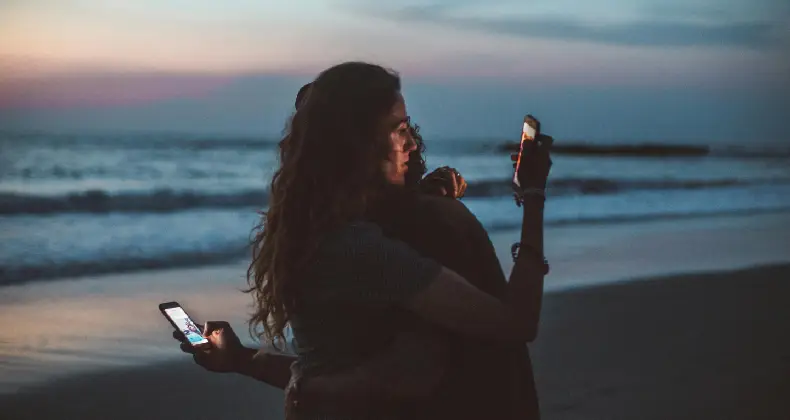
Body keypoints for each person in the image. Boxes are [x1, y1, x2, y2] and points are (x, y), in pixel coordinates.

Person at [175, 62, 551, 418]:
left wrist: (242, 360)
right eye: (398, 128)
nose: (413, 144)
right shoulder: (361, 248)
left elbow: (319, 375)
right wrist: (533, 198)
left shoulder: (313, 233)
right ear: (358, 143)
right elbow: (515, 323)